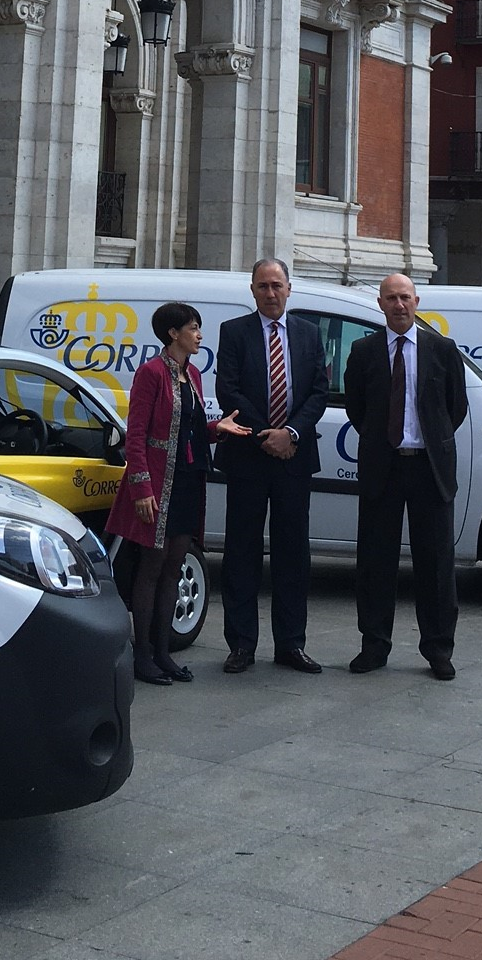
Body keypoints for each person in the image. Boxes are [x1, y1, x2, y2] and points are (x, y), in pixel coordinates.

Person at [106, 302, 251, 685]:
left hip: (187, 482)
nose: (199, 335)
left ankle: (163, 652)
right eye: (193, 328)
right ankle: (142, 654)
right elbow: (136, 435)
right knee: (151, 568)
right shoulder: (151, 373)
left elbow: (190, 429)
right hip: (156, 483)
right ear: (173, 333)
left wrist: (218, 429)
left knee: (174, 565)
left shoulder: (193, 375)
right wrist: (141, 487)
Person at [343, 273, 469, 680]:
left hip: (429, 468)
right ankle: (374, 645)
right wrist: (383, 440)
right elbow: (356, 408)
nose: (399, 305)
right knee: (375, 561)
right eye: (391, 298)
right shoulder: (363, 351)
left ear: (417, 301)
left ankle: (438, 649)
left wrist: (428, 440)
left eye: (405, 298)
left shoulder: (442, 349)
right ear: (380, 304)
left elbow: (455, 408)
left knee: (436, 563)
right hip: (384, 466)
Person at [214, 258, 330, 674]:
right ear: (252, 290)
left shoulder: (309, 334)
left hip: (294, 460)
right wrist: (267, 435)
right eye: (262, 286)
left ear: (289, 288)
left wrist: (290, 434)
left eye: (276, 285)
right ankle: (241, 644)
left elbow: (319, 391)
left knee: (292, 554)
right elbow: (227, 389)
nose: (270, 293)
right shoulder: (234, 332)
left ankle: (291, 644)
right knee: (241, 552)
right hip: (247, 457)